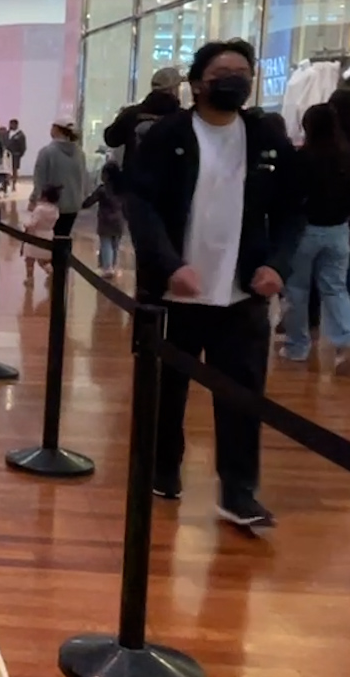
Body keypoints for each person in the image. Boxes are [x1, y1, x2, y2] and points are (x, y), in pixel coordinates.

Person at [123, 38, 306, 532]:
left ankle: (239, 491)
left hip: (241, 296)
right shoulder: (168, 135)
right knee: (165, 390)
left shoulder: (266, 136)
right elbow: (140, 205)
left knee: (243, 395)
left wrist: (278, 267)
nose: (236, 79)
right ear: (199, 82)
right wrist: (167, 265)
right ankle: (162, 468)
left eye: (243, 71)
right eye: (225, 71)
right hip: (174, 294)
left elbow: (292, 211)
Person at [277, 101, 350, 368]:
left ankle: (297, 346)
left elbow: (288, 197)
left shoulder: (301, 159)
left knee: (296, 290)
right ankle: (347, 342)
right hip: (339, 231)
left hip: (304, 231)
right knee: (336, 289)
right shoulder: (346, 156)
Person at [104, 67, 183, 169]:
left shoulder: (131, 114)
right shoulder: (183, 118)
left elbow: (111, 139)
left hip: (135, 181)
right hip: (171, 182)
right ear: (173, 90)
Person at [31, 119, 87, 237]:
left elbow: (39, 180)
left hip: (51, 206)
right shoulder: (80, 153)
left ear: (56, 129)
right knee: (64, 237)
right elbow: (83, 178)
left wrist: (34, 199)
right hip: (73, 204)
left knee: (48, 240)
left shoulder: (46, 152)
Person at [82, 162, 126, 272]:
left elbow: (90, 201)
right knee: (115, 245)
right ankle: (113, 265)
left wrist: (82, 204)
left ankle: (107, 267)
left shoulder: (102, 189)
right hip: (119, 220)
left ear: (106, 174)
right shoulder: (122, 189)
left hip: (106, 221)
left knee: (106, 244)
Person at [22, 185, 62, 281]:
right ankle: (52, 273)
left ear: (44, 197)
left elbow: (33, 223)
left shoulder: (39, 209)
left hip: (35, 235)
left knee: (30, 258)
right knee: (44, 259)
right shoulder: (55, 210)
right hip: (48, 235)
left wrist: (26, 224)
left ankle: (29, 278)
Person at [6, 119, 28, 186]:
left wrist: (19, 154)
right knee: (6, 169)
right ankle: (6, 183)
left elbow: (23, 146)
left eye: (12, 124)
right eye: (10, 124)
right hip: (6, 155)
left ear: (16, 125)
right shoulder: (7, 133)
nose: (10, 126)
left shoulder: (20, 135)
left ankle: (14, 184)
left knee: (14, 169)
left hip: (15, 155)